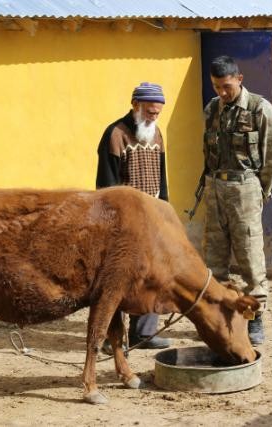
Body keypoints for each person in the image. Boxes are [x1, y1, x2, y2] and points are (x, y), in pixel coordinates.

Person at [201, 55, 272, 345]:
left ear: (239, 79)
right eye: (216, 86)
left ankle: (255, 317)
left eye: (226, 86)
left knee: (250, 256)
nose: (222, 92)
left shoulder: (260, 108)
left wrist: (260, 189)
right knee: (214, 258)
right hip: (215, 187)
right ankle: (220, 315)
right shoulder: (212, 109)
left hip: (245, 188)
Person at [95, 82, 173, 353]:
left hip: (152, 219)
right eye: (150, 111)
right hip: (123, 222)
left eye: (157, 113)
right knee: (119, 279)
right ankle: (110, 338)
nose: (153, 117)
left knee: (152, 274)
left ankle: (144, 334)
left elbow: (162, 179)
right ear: (135, 105)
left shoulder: (157, 134)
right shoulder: (115, 135)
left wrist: (165, 211)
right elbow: (106, 185)